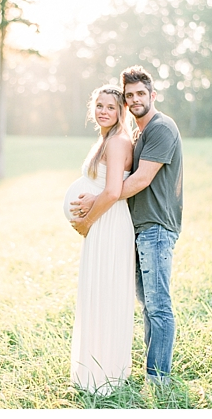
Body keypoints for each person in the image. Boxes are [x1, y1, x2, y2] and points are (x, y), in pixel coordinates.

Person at [71, 65, 183, 385]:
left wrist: (95, 206)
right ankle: (143, 371)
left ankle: (158, 379)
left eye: (140, 94)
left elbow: (142, 179)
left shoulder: (161, 128)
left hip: (157, 226)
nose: (135, 100)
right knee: (146, 305)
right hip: (138, 226)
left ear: (152, 95)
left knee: (158, 306)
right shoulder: (138, 132)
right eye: (130, 95)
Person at [64, 85, 135, 394]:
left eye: (110, 106)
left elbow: (113, 192)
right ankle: (92, 369)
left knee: (106, 294)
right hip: (100, 224)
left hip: (109, 224)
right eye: (99, 105)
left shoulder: (118, 141)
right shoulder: (105, 139)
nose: (104, 110)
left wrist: (86, 221)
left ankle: (106, 376)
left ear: (120, 111)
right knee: (96, 292)